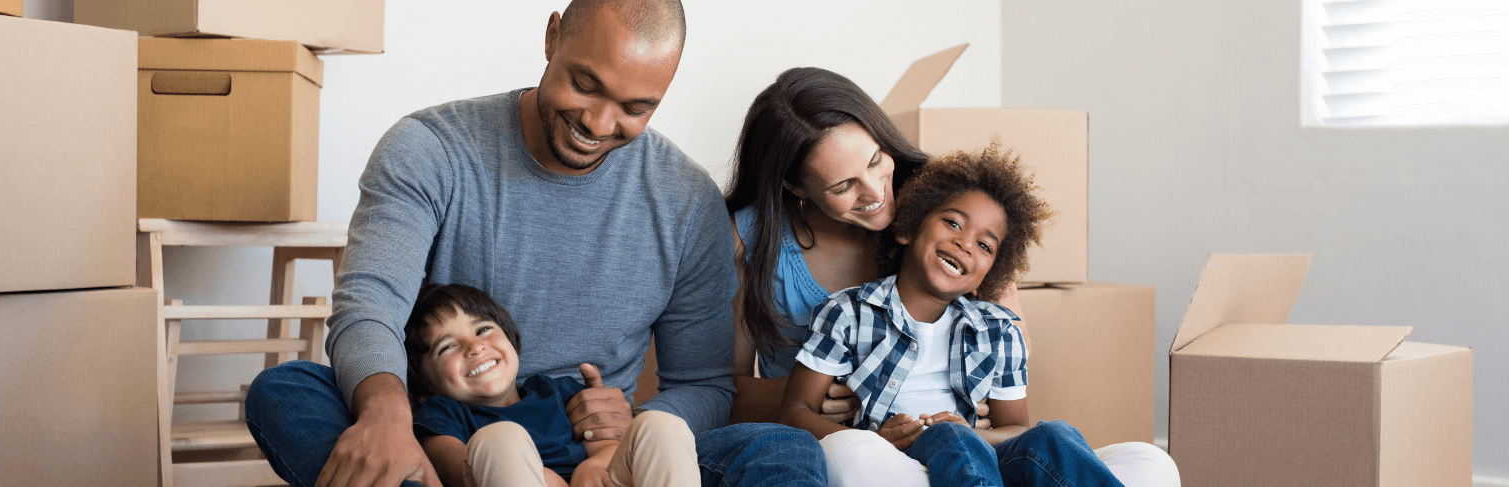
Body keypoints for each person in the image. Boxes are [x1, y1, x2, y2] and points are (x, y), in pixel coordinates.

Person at [244, 2, 826, 487]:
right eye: (585, 84)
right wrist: (386, 416)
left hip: (596, 462)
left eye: (634, 108)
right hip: (452, 442)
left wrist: (632, 424)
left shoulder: (687, 201)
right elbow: (370, 304)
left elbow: (702, 385)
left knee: (781, 450)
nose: (599, 124)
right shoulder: (430, 149)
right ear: (552, 38)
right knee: (287, 392)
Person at [724, 68, 1178, 486]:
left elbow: (1011, 356)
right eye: (843, 187)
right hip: (861, 449)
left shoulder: (945, 207)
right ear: (796, 187)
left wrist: (981, 417)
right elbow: (727, 390)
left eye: (877, 160)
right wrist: (837, 393)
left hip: (966, 440)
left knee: (1150, 463)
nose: (876, 192)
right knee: (857, 452)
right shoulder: (759, 246)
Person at [781, 147, 1125, 487]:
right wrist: (878, 441)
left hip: (978, 457)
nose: (965, 244)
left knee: (1054, 433)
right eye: (953, 222)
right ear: (908, 229)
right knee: (947, 436)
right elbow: (795, 412)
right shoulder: (847, 313)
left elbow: (1018, 429)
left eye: (985, 246)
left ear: (985, 279)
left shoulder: (999, 330)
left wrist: (972, 433)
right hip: (891, 461)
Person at [403, 283, 697, 487]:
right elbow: (453, 467)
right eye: (447, 347)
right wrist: (532, 475)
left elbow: (605, 443)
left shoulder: (554, 390)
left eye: (483, 330)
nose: (475, 347)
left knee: (660, 425)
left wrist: (593, 466)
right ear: (425, 383)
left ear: (510, 339)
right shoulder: (441, 413)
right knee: (499, 438)